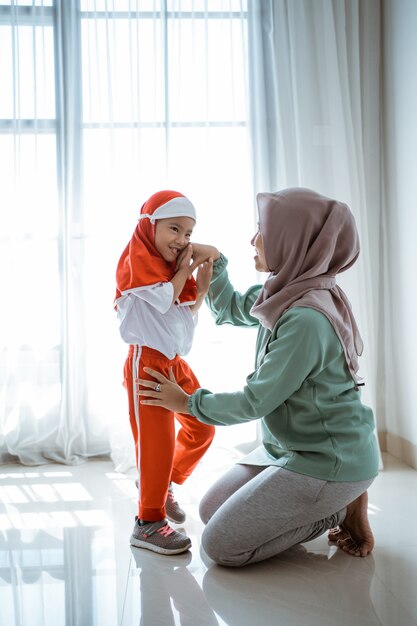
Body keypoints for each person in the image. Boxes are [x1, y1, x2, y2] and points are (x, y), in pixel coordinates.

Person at [137, 187, 379, 567]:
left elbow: (255, 401)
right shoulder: (286, 291)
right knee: (210, 510)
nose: (253, 239)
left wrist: (185, 403)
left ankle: (338, 509)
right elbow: (233, 307)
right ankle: (327, 501)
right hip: (291, 448)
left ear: (294, 240)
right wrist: (215, 262)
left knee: (222, 548)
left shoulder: (306, 319)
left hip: (327, 459)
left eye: (262, 229)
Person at [115, 190, 215, 555]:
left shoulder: (170, 273)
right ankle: (148, 521)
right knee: (156, 445)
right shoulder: (136, 263)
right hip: (147, 364)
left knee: (202, 425)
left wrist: (200, 291)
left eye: (188, 234)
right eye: (174, 228)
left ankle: (164, 484)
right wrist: (189, 265)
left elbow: (181, 326)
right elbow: (160, 300)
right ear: (150, 226)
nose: (182, 240)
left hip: (173, 361)